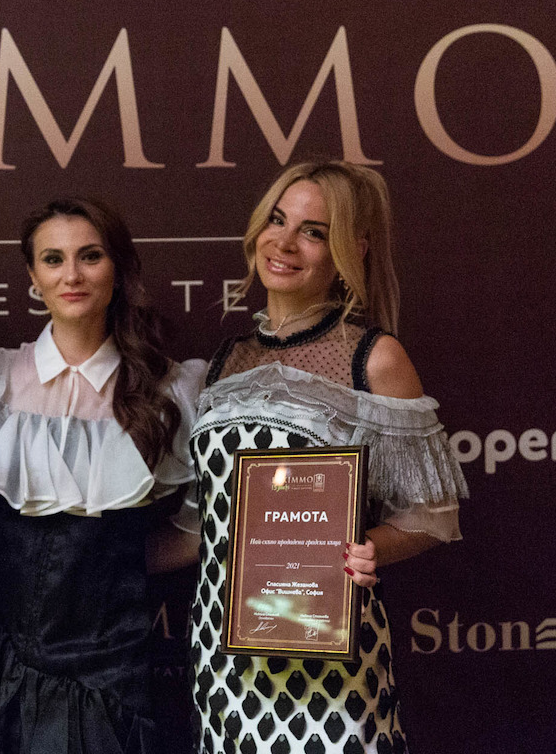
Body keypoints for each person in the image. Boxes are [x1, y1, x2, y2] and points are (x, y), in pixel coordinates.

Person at [173, 161, 468, 754]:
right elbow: (202, 528)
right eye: (277, 221)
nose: (284, 243)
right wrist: (88, 558)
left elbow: (432, 518)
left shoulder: (374, 357)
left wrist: (369, 549)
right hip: (223, 646)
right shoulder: (226, 359)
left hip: (326, 648)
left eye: (313, 231)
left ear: (351, 249)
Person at [0, 198, 206, 754]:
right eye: (53, 259)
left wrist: (113, 563)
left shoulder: (173, 390)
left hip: (109, 668)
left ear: (118, 268)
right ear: (33, 276)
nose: (71, 275)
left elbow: (204, 526)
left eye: (90, 256)